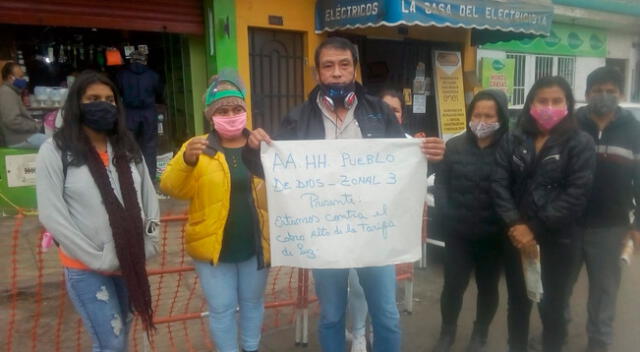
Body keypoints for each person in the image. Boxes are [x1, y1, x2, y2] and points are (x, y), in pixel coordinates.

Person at [243, 36, 445, 352]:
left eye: (344, 65)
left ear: (355, 69)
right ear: (316, 73)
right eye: (328, 66)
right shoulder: (298, 117)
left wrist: (429, 155)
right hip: (325, 236)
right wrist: (254, 150)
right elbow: (270, 168)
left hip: (375, 234)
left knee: (387, 317)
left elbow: (405, 164)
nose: (336, 73)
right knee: (331, 316)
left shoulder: (380, 112)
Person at [35, 70, 160, 351]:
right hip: (87, 268)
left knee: (123, 332)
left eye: (109, 99)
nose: (103, 104)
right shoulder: (56, 151)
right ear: (77, 104)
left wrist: (150, 240)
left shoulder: (126, 147)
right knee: (111, 342)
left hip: (129, 259)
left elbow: (148, 197)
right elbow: (52, 216)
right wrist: (97, 258)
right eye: (93, 98)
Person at [159, 72, 270, 352]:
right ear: (211, 116)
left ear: (245, 110)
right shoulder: (197, 147)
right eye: (222, 110)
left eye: (236, 109)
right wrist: (186, 161)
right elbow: (171, 187)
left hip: (255, 246)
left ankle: (250, 347)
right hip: (213, 250)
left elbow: (285, 186)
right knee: (221, 309)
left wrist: (267, 151)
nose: (230, 115)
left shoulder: (259, 144)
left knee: (252, 304)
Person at [492, 76, 596, 352]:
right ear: (530, 104)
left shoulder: (580, 143)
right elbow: (498, 184)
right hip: (516, 239)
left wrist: (533, 228)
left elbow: (576, 194)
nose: (549, 107)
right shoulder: (513, 138)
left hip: (559, 241)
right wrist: (515, 224)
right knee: (517, 305)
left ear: (568, 105)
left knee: (553, 309)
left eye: (556, 101)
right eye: (542, 101)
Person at [433, 90, 510, 352]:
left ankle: (480, 333)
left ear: (501, 117)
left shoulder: (510, 148)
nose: (482, 120)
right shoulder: (453, 146)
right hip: (459, 234)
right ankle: (447, 333)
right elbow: (441, 183)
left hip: (493, 236)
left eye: (489, 115)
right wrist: (446, 212)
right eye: (477, 114)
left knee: (488, 288)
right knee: (452, 287)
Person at [570, 66, 640, 352]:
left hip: (611, 226)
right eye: (597, 90)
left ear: (621, 94)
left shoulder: (634, 130)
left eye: (611, 91)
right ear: (586, 94)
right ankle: (556, 331)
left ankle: (599, 342)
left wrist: (637, 226)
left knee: (604, 291)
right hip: (567, 223)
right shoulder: (570, 125)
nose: (604, 96)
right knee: (558, 286)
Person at [117, 50, 163, 181]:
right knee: (149, 146)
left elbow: (117, 92)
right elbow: (159, 93)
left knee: (129, 146)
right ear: (145, 60)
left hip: (129, 113)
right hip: (148, 113)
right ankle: (150, 178)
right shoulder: (153, 75)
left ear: (131, 60)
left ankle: (131, 178)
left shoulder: (122, 75)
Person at [0, 62, 47, 148]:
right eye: (21, 77)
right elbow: (12, 121)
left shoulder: (12, 92)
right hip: (19, 139)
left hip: (23, 136)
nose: (24, 79)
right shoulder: (6, 93)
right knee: (54, 144)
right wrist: (34, 126)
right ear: (11, 78)